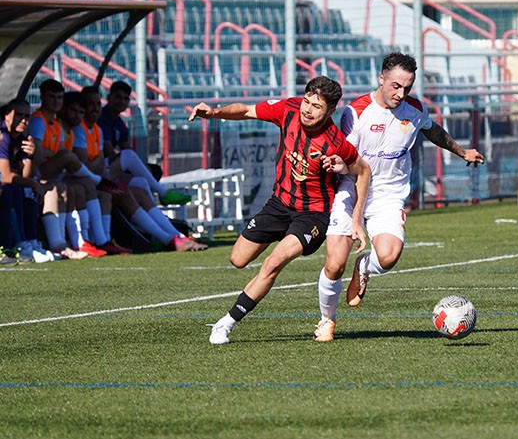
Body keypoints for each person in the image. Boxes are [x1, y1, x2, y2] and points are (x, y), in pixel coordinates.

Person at [312, 53, 485, 342]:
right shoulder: (356, 112)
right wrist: (338, 166)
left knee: (389, 256)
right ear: (381, 78)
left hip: (388, 194)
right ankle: (326, 321)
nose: (400, 93)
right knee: (334, 264)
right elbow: (346, 158)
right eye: (395, 86)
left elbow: (432, 131)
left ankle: (364, 267)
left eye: (407, 87)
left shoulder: (414, 109)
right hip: (351, 189)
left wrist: (462, 151)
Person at [188, 76, 370, 345]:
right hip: (279, 204)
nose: (307, 110)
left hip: (313, 215)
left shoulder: (334, 142)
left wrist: (357, 218)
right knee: (237, 259)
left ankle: (225, 324)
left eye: (316, 107)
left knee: (273, 263)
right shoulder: (288, 110)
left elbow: (363, 171)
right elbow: (248, 110)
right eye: (307, 102)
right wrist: (214, 112)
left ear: (330, 111)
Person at [78, 86, 205, 253]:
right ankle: (163, 208)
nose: (94, 108)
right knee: (128, 158)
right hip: (90, 181)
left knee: (140, 183)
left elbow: (103, 160)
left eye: (96, 103)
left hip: (103, 178)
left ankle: (173, 237)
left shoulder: (99, 128)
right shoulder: (91, 126)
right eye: (89, 104)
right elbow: (92, 162)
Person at [98, 80, 191, 206]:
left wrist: (139, 167)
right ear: (109, 97)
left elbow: (127, 148)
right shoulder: (102, 118)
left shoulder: (120, 124)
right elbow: (110, 152)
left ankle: (157, 214)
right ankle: (164, 193)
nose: (122, 102)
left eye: (125, 99)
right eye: (118, 97)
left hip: (113, 168)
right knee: (130, 158)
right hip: (101, 170)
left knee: (145, 179)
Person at [0, 98, 52, 264]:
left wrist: (29, 156)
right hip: (4, 183)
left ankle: (30, 242)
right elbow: (6, 176)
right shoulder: (3, 135)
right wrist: (34, 183)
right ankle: (10, 246)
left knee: (27, 190)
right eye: (19, 115)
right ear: (6, 115)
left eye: (27, 116)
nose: (24, 120)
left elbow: (26, 176)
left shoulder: (21, 138)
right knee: (10, 190)